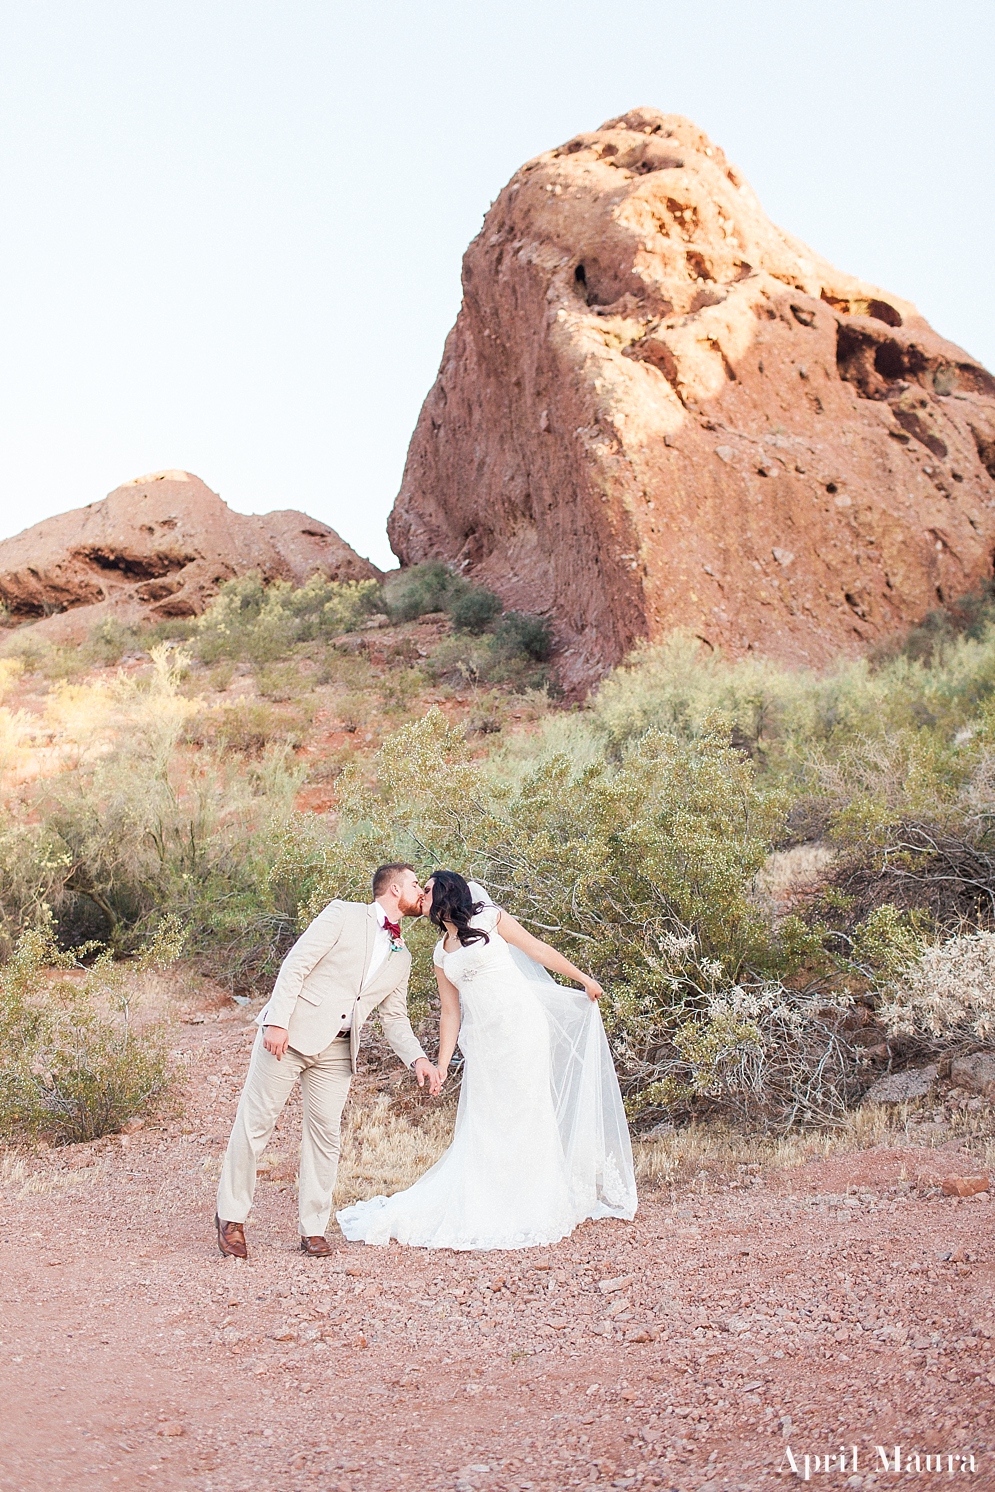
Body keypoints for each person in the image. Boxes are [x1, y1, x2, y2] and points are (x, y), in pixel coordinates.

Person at [336, 871, 636, 1250]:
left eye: (427, 889)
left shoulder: (489, 918)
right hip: (484, 1042)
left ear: (446, 892)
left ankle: (535, 1198)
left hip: (523, 1028)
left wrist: (582, 979)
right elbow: (450, 1012)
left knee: (529, 1109)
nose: (421, 896)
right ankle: (494, 1195)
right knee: (490, 1117)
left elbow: (536, 949)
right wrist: (442, 1063)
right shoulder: (441, 952)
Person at [215, 862, 440, 1258]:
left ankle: (313, 1228)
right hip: (290, 1036)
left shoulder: (401, 956)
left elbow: (394, 1017)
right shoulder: (341, 914)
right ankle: (231, 1217)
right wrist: (277, 1021)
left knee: (325, 1138)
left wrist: (418, 1059)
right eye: (415, 884)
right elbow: (296, 964)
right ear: (393, 889)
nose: (421, 892)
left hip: (338, 1052)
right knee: (256, 1125)